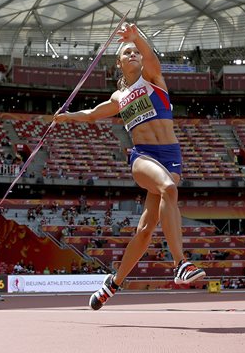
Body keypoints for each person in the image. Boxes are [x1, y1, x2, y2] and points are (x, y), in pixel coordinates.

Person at [55, 22, 205, 310]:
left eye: (136, 51)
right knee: (169, 189)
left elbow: (152, 58)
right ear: (119, 63)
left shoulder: (153, 79)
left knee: (146, 229)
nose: (134, 54)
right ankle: (180, 263)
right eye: (127, 52)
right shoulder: (119, 98)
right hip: (143, 156)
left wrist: (137, 37)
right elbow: (92, 115)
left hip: (170, 154)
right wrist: (67, 117)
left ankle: (112, 284)